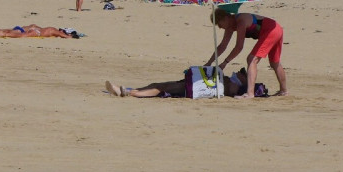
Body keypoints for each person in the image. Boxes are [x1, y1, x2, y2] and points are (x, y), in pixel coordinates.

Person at [208, 7, 288, 98]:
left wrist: (225, 63)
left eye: (219, 23)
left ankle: (250, 93)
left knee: (251, 59)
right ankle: (284, 91)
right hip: (277, 28)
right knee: (274, 62)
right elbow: (222, 46)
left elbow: (239, 47)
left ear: (225, 18)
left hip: (271, 30)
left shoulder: (241, 21)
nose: (219, 27)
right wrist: (209, 62)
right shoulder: (230, 26)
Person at [105, 67, 258, 98]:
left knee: (161, 88)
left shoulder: (236, 86)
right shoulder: (234, 81)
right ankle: (126, 89)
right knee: (156, 84)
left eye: (242, 72)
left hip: (196, 88)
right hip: (196, 83)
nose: (239, 71)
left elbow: (228, 91)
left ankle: (127, 92)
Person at [0, 24, 81, 38]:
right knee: (7, 33)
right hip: (35, 32)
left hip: (34, 31)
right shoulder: (54, 30)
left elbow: (67, 37)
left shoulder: (55, 30)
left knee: (7, 32)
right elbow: (67, 37)